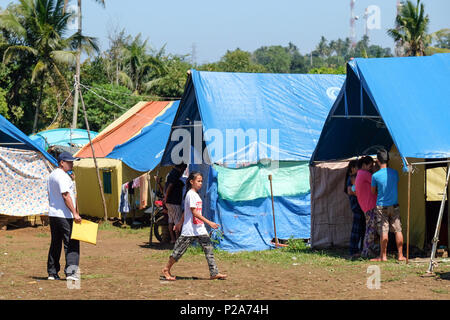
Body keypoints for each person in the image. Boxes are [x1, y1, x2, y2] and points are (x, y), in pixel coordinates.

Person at [162, 171, 227, 281]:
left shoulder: (195, 195)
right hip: (190, 230)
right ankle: (166, 269)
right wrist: (209, 223)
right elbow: (194, 212)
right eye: (198, 181)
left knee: (208, 250)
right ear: (191, 182)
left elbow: (185, 212)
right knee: (178, 252)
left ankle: (214, 272)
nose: (200, 183)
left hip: (199, 229)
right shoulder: (191, 194)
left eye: (201, 181)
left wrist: (178, 223)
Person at [47, 152, 82, 281]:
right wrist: (75, 213)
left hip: (54, 214)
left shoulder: (52, 175)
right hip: (65, 215)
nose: (72, 164)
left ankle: (52, 272)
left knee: (55, 243)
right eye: (69, 162)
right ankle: (71, 273)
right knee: (71, 243)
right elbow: (66, 195)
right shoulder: (62, 176)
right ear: (62, 162)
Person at [371, 149, 406, 262]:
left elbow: (373, 191)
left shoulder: (375, 176)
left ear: (377, 160)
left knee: (384, 231)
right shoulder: (395, 173)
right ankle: (400, 256)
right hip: (394, 205)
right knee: (398, 230)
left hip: (382, 206)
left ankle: (383, 256)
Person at [355, 156, 379, 259]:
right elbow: (376, 182)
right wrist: (375, 170)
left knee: (370, 228)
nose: (371, 167)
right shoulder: (365, 174)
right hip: (370, 205)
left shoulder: (359, 174)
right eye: (370, 165)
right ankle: (367, 251)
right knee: (371, 229)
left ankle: (367, 250)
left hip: (366, 205)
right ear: (364, 165)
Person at [344, 160, 366, 259]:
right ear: (352, 168)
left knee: (360, 229)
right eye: (358, 167)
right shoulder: (351, 179)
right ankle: (353, 250)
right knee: (356, 229)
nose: (359, 170)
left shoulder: (354, 178)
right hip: (357, 206)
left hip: (358, 206)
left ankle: (358, 249)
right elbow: (351, 191)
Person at [163, 163, 187, 243]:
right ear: (181, 168)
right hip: (174, 202)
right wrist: (166, 197)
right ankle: (177, 239)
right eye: (184, 169)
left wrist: (166, 198)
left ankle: (173, 239)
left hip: (169, 202)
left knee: (171, 220)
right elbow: (170, 186)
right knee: (177, 221)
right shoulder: (176, 174)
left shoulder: (170, 173)